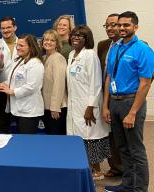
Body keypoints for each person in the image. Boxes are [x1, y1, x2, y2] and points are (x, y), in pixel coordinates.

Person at [102, 11, 154, 192]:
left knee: (136, 149)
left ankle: (139, 189)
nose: (121, 28)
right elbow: (109, 76)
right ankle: (127, 185)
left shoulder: (143, 49)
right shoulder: (115, 47)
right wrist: (105, 105)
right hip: (115, 102)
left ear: (135, 27)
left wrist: (132, 112)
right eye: (119, 25)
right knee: (122, 148)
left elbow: (145, 83)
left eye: (126, 25)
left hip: (131, 102)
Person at [66, 25, 109, 181]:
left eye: (81, 36)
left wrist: (90, 107)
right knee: (79, 137)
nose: (76, 38)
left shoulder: (90, 55)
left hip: (87, 104)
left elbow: (96, 83)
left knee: (90, 136)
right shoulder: (71, 54)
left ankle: (97, 171)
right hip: (74, 103)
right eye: (74, 35)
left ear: (87, 39)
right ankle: (84, 167)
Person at [0, 34, 44, 134]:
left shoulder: (35, 63)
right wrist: (1, 85)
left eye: (21, 45)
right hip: (19, 110)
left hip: (29, 112)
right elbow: (13, 80)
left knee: (27, 142)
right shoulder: (19, 60)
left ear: (31, 47)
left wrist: (12, 91)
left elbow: (32, 86)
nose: (18, 48)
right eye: (17, 45)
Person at [97, 13, 123, 178]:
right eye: (107, 25)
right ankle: (116, 168)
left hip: (125, 97)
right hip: (106, 96)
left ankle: (129, 172)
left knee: (127, 138)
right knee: (111, 134)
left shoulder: (137, 45)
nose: (110, 28)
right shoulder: (103, 45)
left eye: (114, 24)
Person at [0, 16, 18, 133]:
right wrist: (0, 64)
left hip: (19, 89)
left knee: (20, 121)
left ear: (15, 27)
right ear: (0, 30)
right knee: (3, 121)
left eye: (8, 27)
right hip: (2, 89)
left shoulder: (24, 44)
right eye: (3, 28)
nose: (6, 30)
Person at [41, 29, 67, 135]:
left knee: (57, 138)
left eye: (52, 40)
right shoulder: (44, 58)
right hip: (46, 106)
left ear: (57, 44)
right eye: (46, 39)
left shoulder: (58, 58)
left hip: (56, 108)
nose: (48, 42)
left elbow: (59, 84)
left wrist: (55, 107)